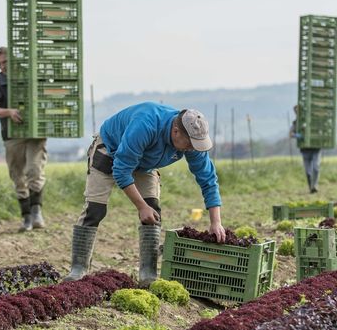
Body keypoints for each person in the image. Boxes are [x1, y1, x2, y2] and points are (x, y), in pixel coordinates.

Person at [64, 102, 224, 286]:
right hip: (110, 149)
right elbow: (122, 170)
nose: (191, 148)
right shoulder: (146, 125)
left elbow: (208, 179)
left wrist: (216, 222)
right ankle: (78, 269)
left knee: (152, 211)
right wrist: (141, 206)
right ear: (176, 131)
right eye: (189, 144)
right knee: (95, 208)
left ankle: (148, 273)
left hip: (146, 162)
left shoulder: (192, 143)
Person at [0, 46, 47, 232]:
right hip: (12, 136)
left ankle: (37, 213)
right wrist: (9, 112)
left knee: (35, 170)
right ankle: (26, 217)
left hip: (35, 133)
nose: (2, 66)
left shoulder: (30, 76)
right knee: (18, 176)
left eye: (5, 62)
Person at [290, 105, 321, 193]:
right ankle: (311, 187)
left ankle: (314, 186)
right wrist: (297, 135)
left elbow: (320, 130)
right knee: (308, 171)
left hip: (315, 148)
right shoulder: (296, 123)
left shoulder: (314, 121)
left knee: (316, 167)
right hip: (305, 150)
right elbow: (290, 133)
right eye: (296, 112)